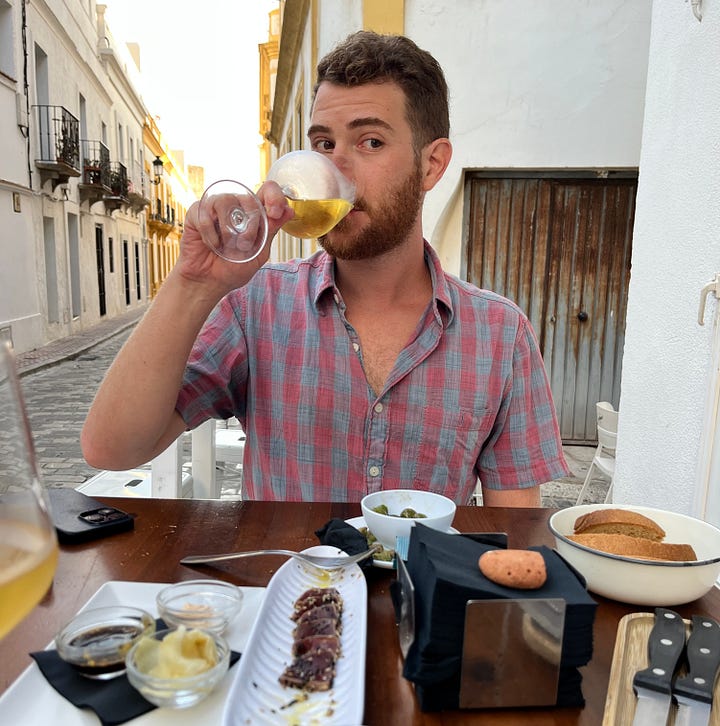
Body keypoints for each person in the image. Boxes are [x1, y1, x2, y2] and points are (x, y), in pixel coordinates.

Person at [81, 31, 570, 506]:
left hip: (419, 591)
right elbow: (113, 449)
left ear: (431, 164)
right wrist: (193, 283)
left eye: (370, 142)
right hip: (287, 587)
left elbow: (514, 540)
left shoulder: (500, 335)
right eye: (323, 144)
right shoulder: (257, 306)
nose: (336, 170)